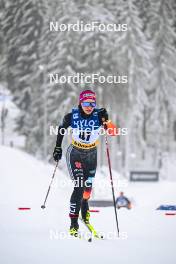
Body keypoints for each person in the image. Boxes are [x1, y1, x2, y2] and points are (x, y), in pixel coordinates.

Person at [53, 89, 117, 237]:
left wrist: (107, 121)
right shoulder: (71, 117)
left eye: (92, 103)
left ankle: (84, 209)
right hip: (75, 153)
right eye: (86, 103)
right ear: (81, 102)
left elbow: (113, 132)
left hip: (91, 155)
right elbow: (61, 129)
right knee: (79, 186)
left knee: (87, 190)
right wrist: (57, 147)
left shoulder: (99, 116)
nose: (89, 106)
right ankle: (73, 223)